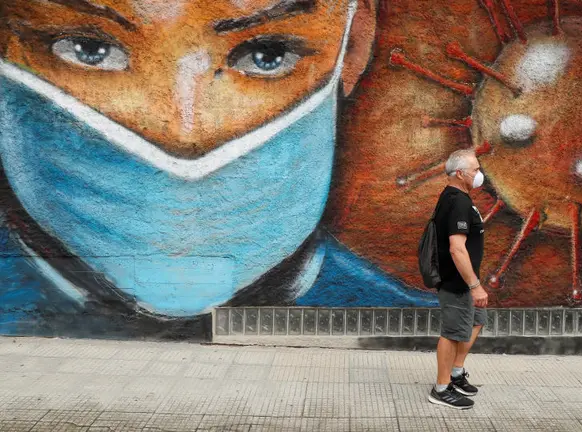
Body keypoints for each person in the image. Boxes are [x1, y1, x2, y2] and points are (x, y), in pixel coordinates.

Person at [0, 0, 437, 337]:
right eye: (89, 50)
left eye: (266, 54)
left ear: (353, 45)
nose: (184, 134)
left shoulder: (406, 321)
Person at [428, 149, 489, 410]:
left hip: (463, 279)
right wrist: (474, 285)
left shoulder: (456, 197)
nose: (479, 174)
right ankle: (441, 389)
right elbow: (456, 247)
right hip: (457, 282)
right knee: (452, 333)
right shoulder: (458, 202)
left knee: (476, 321)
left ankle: (455, 372)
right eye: (475, 169)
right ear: (461, 174)